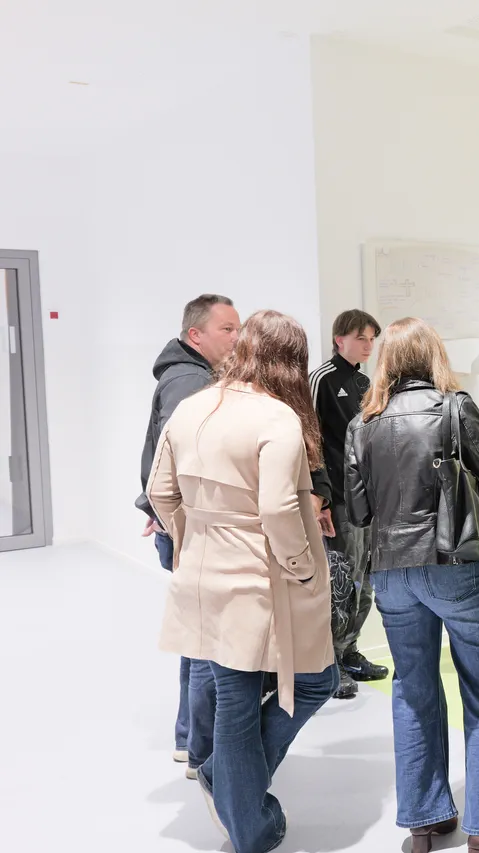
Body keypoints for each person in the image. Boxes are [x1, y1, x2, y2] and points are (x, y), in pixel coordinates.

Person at [346, 318, 479, 853]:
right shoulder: (455, 408)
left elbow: (359, 510)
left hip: (390, 571)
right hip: (453, 562)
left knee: (412, 691)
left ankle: (426, 821)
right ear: (433, 355)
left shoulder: (362, 423)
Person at [148, 310, 338, 853]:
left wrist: (191, 538)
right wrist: (302, 565)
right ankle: (248, 823)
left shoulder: (192, 406)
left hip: (203, 570)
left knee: (238, 694)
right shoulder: (277, 418)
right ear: (291, 361)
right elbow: (278, 508)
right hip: (260, 575)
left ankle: (231, 789)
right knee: (310, 682)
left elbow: (160, 492)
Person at [136, 294, 239, 779]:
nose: (237, 338)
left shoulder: (192, 375)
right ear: (195, 335)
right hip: (193, 531)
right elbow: (181, 461)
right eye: (227, 329)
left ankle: (189, 740)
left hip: (183, 526)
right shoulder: (190, 382)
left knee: (198, 636)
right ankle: (202, 751)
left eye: (237, 328)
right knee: (204, 644)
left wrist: (157, 510)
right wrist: (168, 515)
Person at [311, 309, 386, 700]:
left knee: (366, 580)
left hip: (367, 499)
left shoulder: (365, 382)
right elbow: (309, 441)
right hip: (338, 500)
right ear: (339, 339)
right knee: (340, 581)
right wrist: (320, 498)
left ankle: (349, 649)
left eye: (372, 338)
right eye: (361, 338)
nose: (368, 345)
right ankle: (330, 662)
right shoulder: (322, 379)